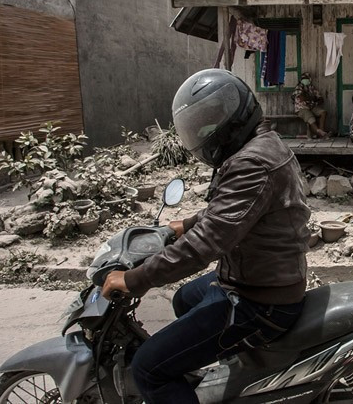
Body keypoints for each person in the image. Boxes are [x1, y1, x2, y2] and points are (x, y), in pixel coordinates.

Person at [101, 69, 310, 404]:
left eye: (208, 122)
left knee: (148, 369)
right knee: (184, 298)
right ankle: (224, 373)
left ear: (233, 118)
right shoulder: (258, 144)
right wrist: (179, 225)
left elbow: (205, 244)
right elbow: (230, 212)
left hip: (261, 301)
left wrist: (135, 278)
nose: (204, 132)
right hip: (257, 274)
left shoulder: (253, 162)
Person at [292, 72, 328, 138]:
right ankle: (319, 132)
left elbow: (320, 99)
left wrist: (315, 100)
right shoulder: (299, 87)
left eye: (306, 78)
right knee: (311, 118)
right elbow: (301, 98)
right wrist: (313, 98)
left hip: (312, 106)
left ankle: (321, 131)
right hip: (301, 108)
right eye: (303, 79)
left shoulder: (311, 87)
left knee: (323, 112)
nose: (305, 80)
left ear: (309, 79)